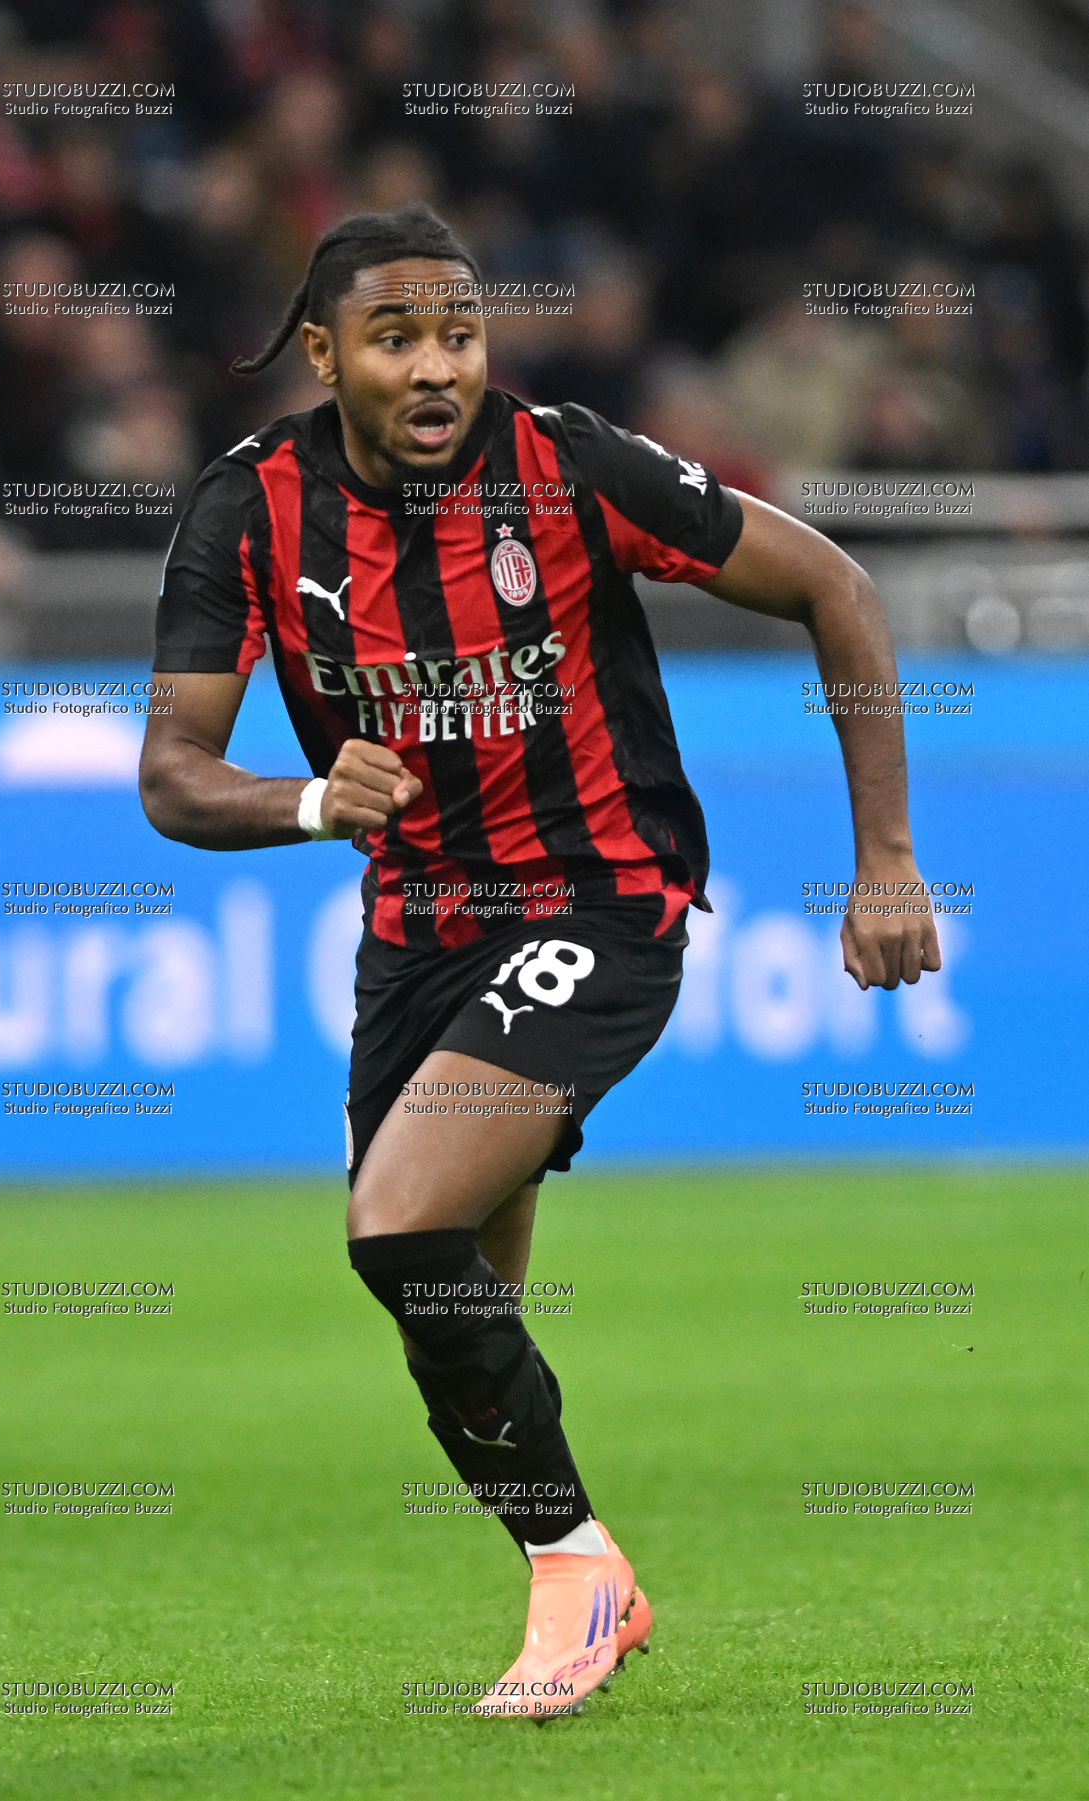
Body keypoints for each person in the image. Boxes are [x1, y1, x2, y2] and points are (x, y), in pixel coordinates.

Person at [138, 201, 941, 1722]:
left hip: (601, 901)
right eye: (395, 338)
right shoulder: (248, 510)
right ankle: (565, 1587)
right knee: (448, 1298)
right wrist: (307, 801)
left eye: (459, 333)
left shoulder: (570, 466)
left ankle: (581, 1575)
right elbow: (172, 774)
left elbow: (835, 587)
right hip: (415, 934)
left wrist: (886, 860)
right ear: (325, 355)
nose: (436, 366)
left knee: (394, 1225)